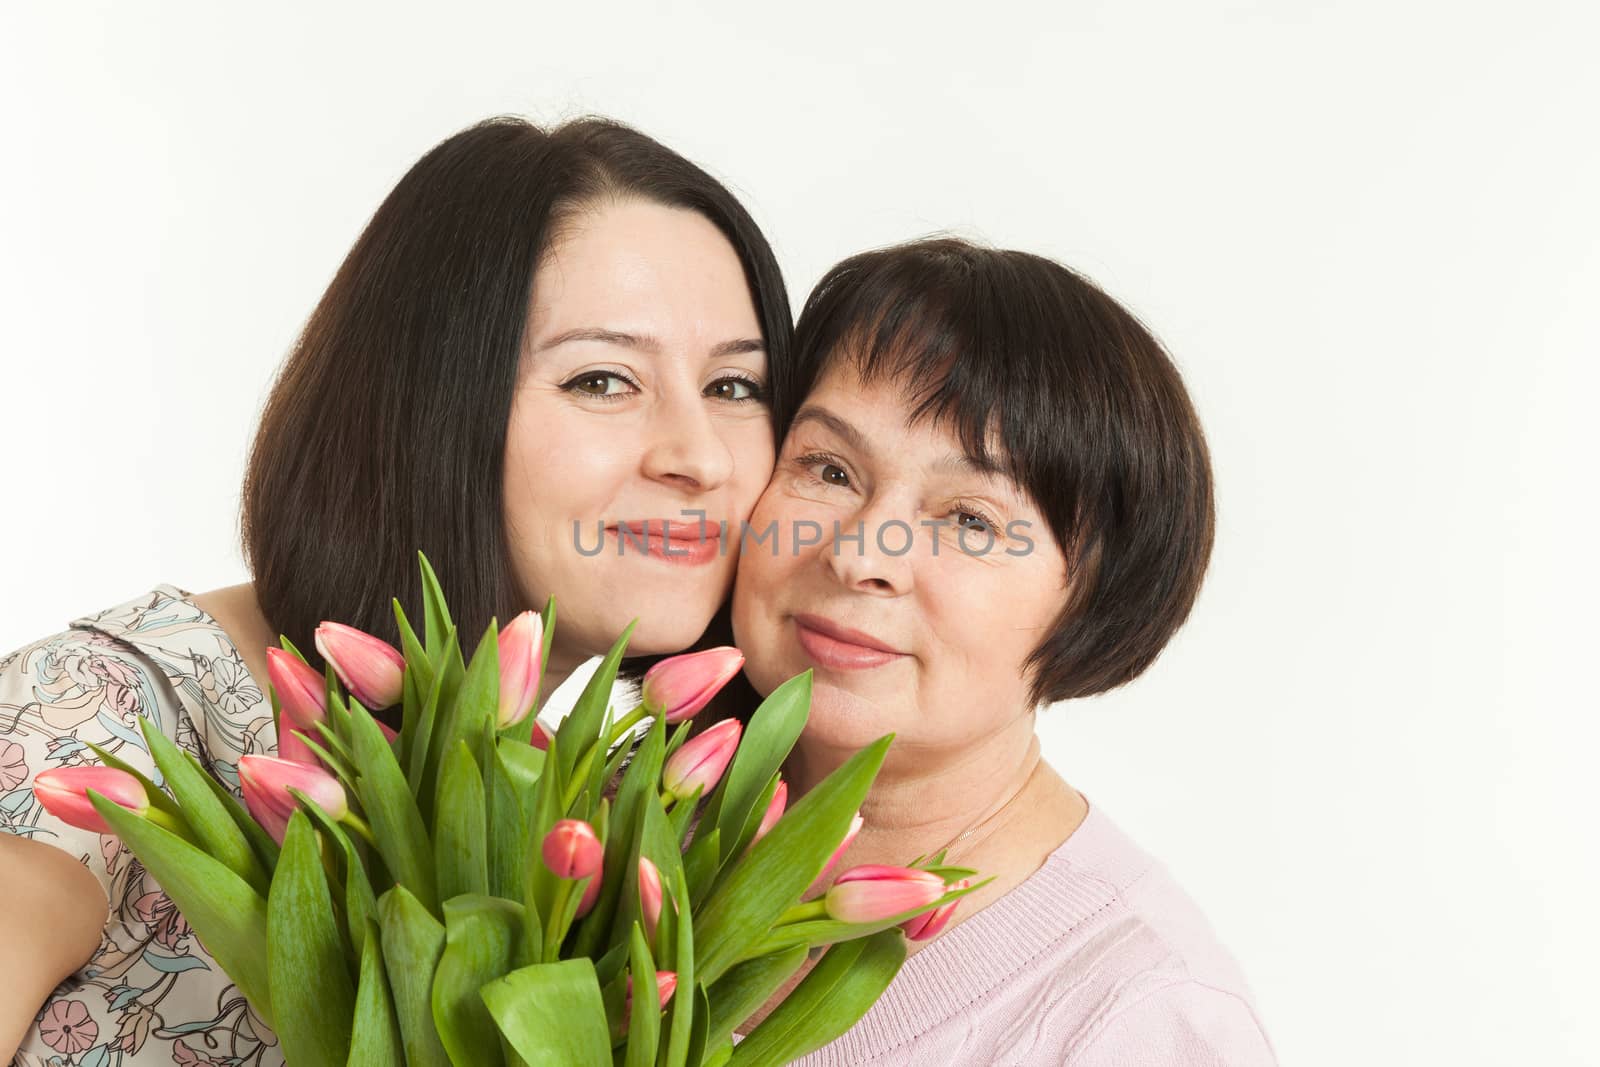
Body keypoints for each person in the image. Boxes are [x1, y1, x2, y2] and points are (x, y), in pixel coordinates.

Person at [0, 114, 794, 1065]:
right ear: (430, 402)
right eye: (601, 378)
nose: (700, 457)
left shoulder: (626, 816)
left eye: (737, 388)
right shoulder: (109, 719)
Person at [727, 237, 1277, 1063]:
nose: (858, 554)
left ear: (1096, 596)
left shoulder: (1138, 1015)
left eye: (969, 519)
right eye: (828, 467)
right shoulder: (612, 832)